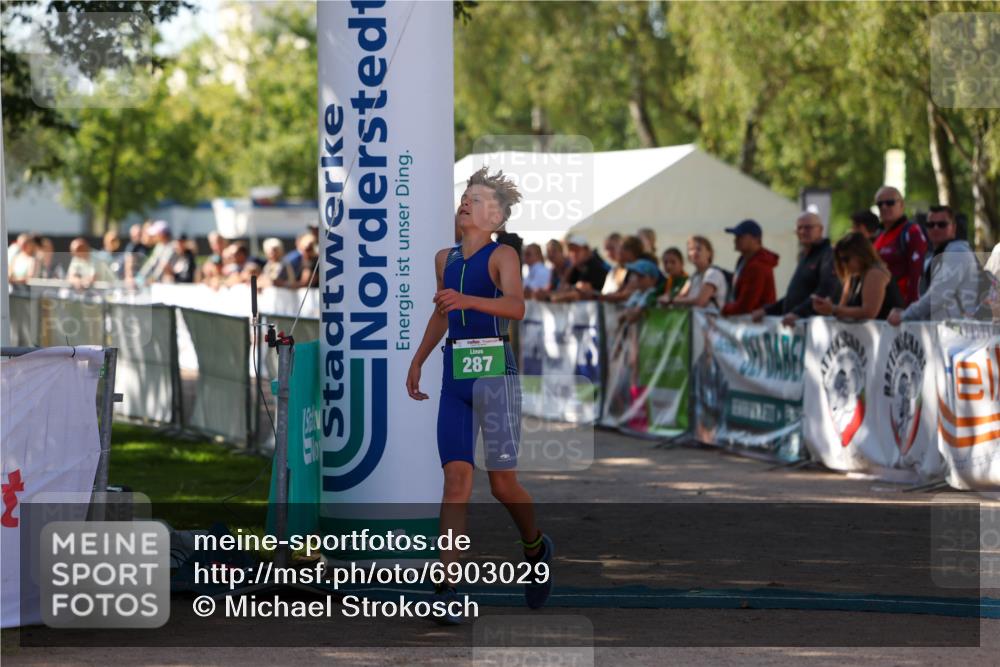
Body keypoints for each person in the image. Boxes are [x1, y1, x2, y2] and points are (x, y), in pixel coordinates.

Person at [406, 167, 552, 622]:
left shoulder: (502, 255)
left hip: (495, 375)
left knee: (502, 484)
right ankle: (447, 588)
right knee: (455, 481)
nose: (466, 202)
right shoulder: (443, 259)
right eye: (465, 196)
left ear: (497, 217)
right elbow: (441, 313)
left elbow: (516, 306)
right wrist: (418, 359)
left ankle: (535, 547)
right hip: (455, 376)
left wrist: (468, 301)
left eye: (477, 198)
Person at [887, 205, 981, 324]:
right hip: (942, 329)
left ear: (953, 227)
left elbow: (938, 295)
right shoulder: (933, 256)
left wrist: (904, 315)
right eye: (930, 224)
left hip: (959, 331)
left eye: (942, 224)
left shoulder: (958, 253)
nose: (935, 228)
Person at [753, 212, 840, 326]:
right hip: (797, 327)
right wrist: (767, 310)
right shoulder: (804, 256)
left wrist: (798, 313)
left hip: (816, 328)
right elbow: (796, 295)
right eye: (799, 228)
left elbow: (825, 291)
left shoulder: (828, 255)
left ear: (820, 229)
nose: (802, 231)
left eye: (808, 227)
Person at [812, 232, 903, 321]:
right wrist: (828, 308)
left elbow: (869, 312)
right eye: (840, 260)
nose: (843, 264)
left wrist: (833, 309)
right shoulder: (853, 276)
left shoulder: (875, 273)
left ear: (860, 254)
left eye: (846, 259)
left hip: (885, 330)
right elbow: (842, 309)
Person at [872, 186, 928, 306]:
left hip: (902, 307)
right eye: (880, 204)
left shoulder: (912, 232)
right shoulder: (878, 236)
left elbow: (917, 274)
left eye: (890, 202)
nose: (884, 207)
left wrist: (910, 309)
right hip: (879, 305)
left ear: (901, 205)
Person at [721, 219, 779, 316]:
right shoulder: (744, 260)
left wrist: (724, 309)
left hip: (757, 322)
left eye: (740, 236)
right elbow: (741, 282)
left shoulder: (758, 266)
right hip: (749, 320)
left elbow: (745, 306)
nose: (735, 240)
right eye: (736, 236)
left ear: (756, 239)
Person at [671, 235, 728, 309]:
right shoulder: (694, 276)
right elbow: (679, 297)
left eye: (698, 249)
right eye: (691, 249)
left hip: (708, 316)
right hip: (693, 315)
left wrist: (678, 300)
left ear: (709, 253)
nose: (694, 252)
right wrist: (676, 299)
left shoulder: (713, 273)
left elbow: (700, 302)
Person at [552, 235, 608, 300]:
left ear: (586, 250)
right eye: (571, 250)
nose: (573, 254)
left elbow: (584, 291)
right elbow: (562, 288)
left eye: (577, 250)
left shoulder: (595, 265)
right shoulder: (576, 268)